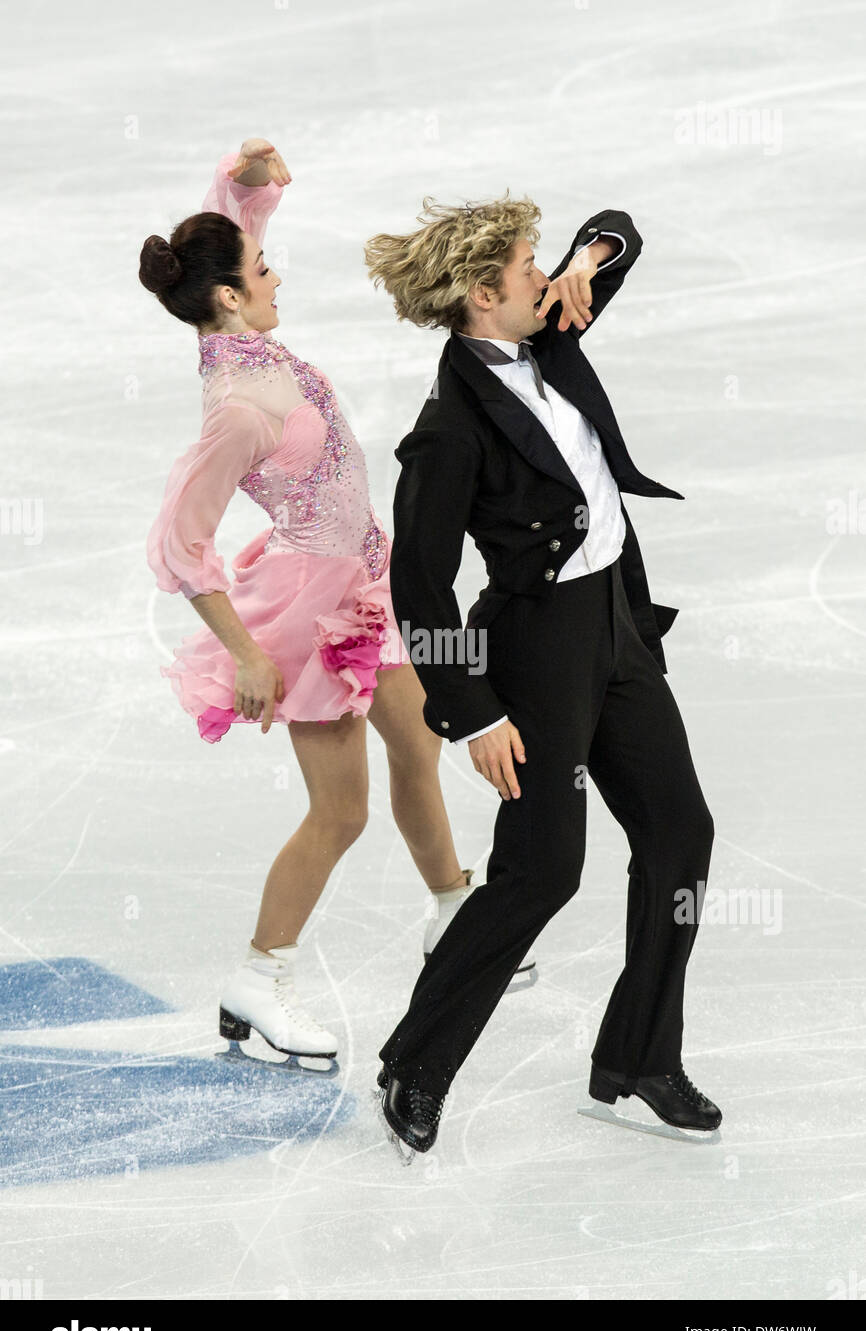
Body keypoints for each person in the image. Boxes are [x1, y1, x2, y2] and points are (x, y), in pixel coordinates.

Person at [364, 192, 721, 1155]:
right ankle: (417, 1063)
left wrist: (589, 256)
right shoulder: (449, 429)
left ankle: (637, 1058)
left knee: (680, 833)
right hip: (538, 652)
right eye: (531, 267)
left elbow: (621, 230)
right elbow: (419, 586)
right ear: (485, 296)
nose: (548, 276)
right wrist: (474, 716)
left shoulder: (550, 322)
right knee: (542, 871)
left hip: (617, 625)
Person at [139, 138, 489, 1068]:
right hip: (310, 612)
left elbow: (235, 226)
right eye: (260, 271)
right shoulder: (238, 405)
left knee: (420, 739)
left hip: (363, 581)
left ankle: (454, 910)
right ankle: (260, 981)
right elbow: (178, 543)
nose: (272, 274)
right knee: (341, 813)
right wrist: (252, 657)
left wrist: (244, 180)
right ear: (227, 297)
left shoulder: (233, 328)